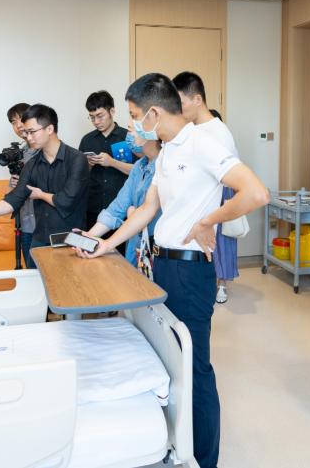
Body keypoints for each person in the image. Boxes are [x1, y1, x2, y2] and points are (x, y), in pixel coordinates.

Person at [73, 73, 270, 468]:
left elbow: (256, 193)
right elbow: (148, 209)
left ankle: (205, 460)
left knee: (195, 368)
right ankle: (180, 446)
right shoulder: (165, 153)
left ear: (154, 113)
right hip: (162, 264)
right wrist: (105, 244)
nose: (132, 125)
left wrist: (208, 221)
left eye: (134, 116)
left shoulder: (202, 144)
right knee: (171, 360)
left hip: (189, 272)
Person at [0, 104, 89, 262]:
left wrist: (41, 195)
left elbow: (67, 201)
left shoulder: (77, 159)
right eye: (26, 132)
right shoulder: (31, 164)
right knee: (33, 277)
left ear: (50, 129)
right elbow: (16, 197)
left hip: (69, 239)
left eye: (32, 132)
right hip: (39, 238)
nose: (28, 137)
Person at [174, 71, 239, 304]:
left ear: (198, 99)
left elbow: (223, 181)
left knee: (214, 254)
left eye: (181, 103)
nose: (178, 110)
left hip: (210, 207)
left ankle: (219, 286)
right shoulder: (190, 129)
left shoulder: (218, 133)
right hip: (192, 208)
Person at [86, 121, 162, 268]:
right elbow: (118, 207)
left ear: (149, 132)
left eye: (130, 131)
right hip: (135, 246)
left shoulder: (165, 166)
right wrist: (89, 236)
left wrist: (133, 213)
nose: (128, 137)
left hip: (156, 247)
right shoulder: (138, 166)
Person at [78, 91, 132, 254]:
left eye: (100, 116)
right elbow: (79, 176)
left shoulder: (127, 137)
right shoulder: (87, 140)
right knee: (92, 252)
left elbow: (138, 171)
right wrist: (87, 166)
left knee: (121, 257)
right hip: (93, 207)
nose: (96, 121)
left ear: (112, 111)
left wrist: (112, 163)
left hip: (122, 209)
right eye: (92, 117)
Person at [5, 103, 39, 269]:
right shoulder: (19, 155)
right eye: (13, 122)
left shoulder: (47, 150)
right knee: (31, 272)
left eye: (21, 119)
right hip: (25, 225)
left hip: (45, 224)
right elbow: (8, 194)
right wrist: (14, 185)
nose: (18, 125)